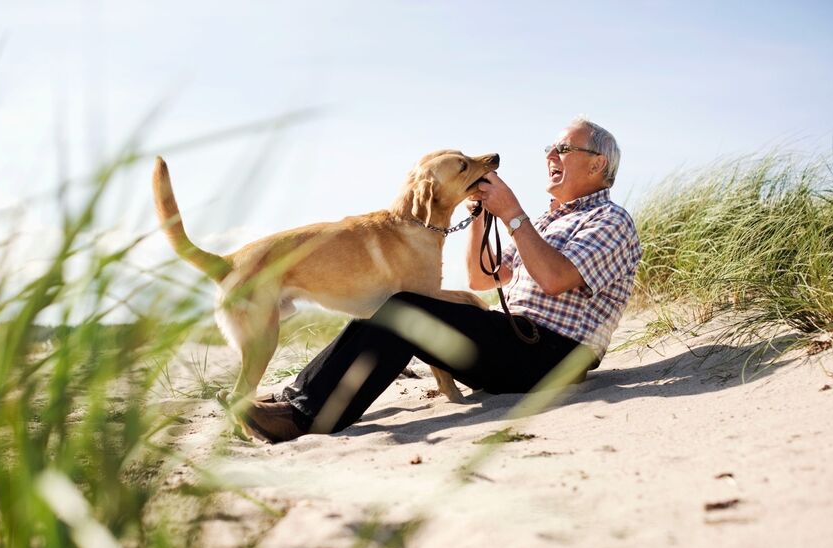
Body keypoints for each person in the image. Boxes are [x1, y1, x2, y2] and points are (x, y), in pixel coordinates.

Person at [243, 117, 642, 443]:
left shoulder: (609, 220)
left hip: (552, 355)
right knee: (393, 302)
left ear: (597, 166)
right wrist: (483, 217)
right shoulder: (549, 221)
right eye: (551, 149)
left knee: (404, 309)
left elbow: (555, 279)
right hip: (515, 343)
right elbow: (483, 277)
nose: (552, 156)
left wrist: (514, 214)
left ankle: (304, 416)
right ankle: (297, 397)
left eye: (564, 150)